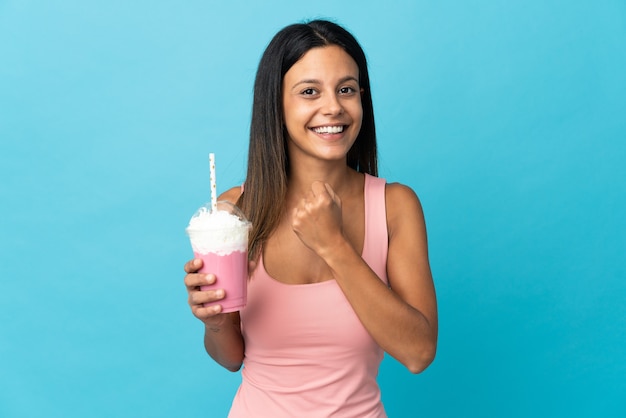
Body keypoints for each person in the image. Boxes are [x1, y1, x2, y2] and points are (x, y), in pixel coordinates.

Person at [184, 19, 437, 417]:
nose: (333, 107)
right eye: (309, 92)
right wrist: (215, 325)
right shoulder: (236, 211)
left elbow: (419, 352)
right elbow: (231, 358)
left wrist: (334, 246)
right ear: (277, 105)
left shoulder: (395, 206)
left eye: (347, 89)